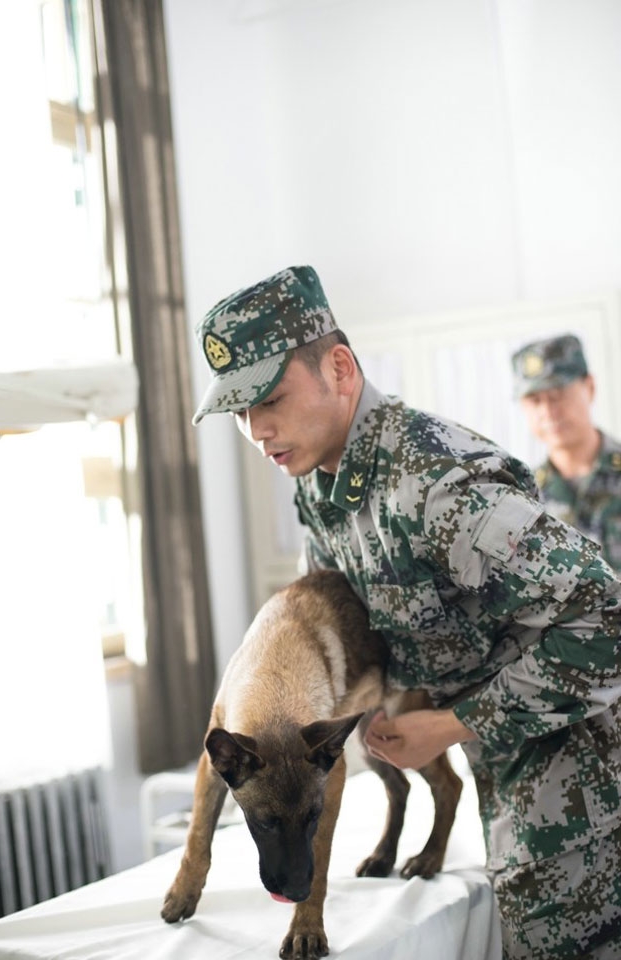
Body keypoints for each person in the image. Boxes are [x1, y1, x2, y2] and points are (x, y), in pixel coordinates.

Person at [192, 265, 621, 960]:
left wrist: (450, 725)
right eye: (238, 412)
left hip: (577, 788)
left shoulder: (434, 484)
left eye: (269, 398)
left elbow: (608, 621)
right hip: (500, 771)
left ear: (338, 367)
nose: (256, 428)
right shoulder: (322, 484)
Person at [512, 334, 621, 573]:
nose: (548, 412)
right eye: (534, 400)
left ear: (590, 387)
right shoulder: (522, 497)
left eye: (557, 394)